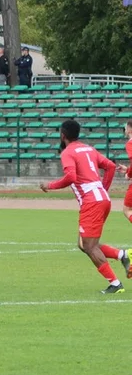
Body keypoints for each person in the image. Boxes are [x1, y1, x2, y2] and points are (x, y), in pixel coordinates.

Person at [40, 119, 129, 293]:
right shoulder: (89, 148)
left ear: (62, 135)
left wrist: (49, 185)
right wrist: (103, 189)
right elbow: (110, 167)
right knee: (84, 244)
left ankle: (116, 284)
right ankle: (123, 255)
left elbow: (71, 177)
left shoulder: (67, 152)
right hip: (102, 199)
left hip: (92, 203)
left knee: (89, 246)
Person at [123, 120, 132, 226]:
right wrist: (127, 170)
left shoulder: (130, 143)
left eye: (126, 128)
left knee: (127, 210)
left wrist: (129, 175)